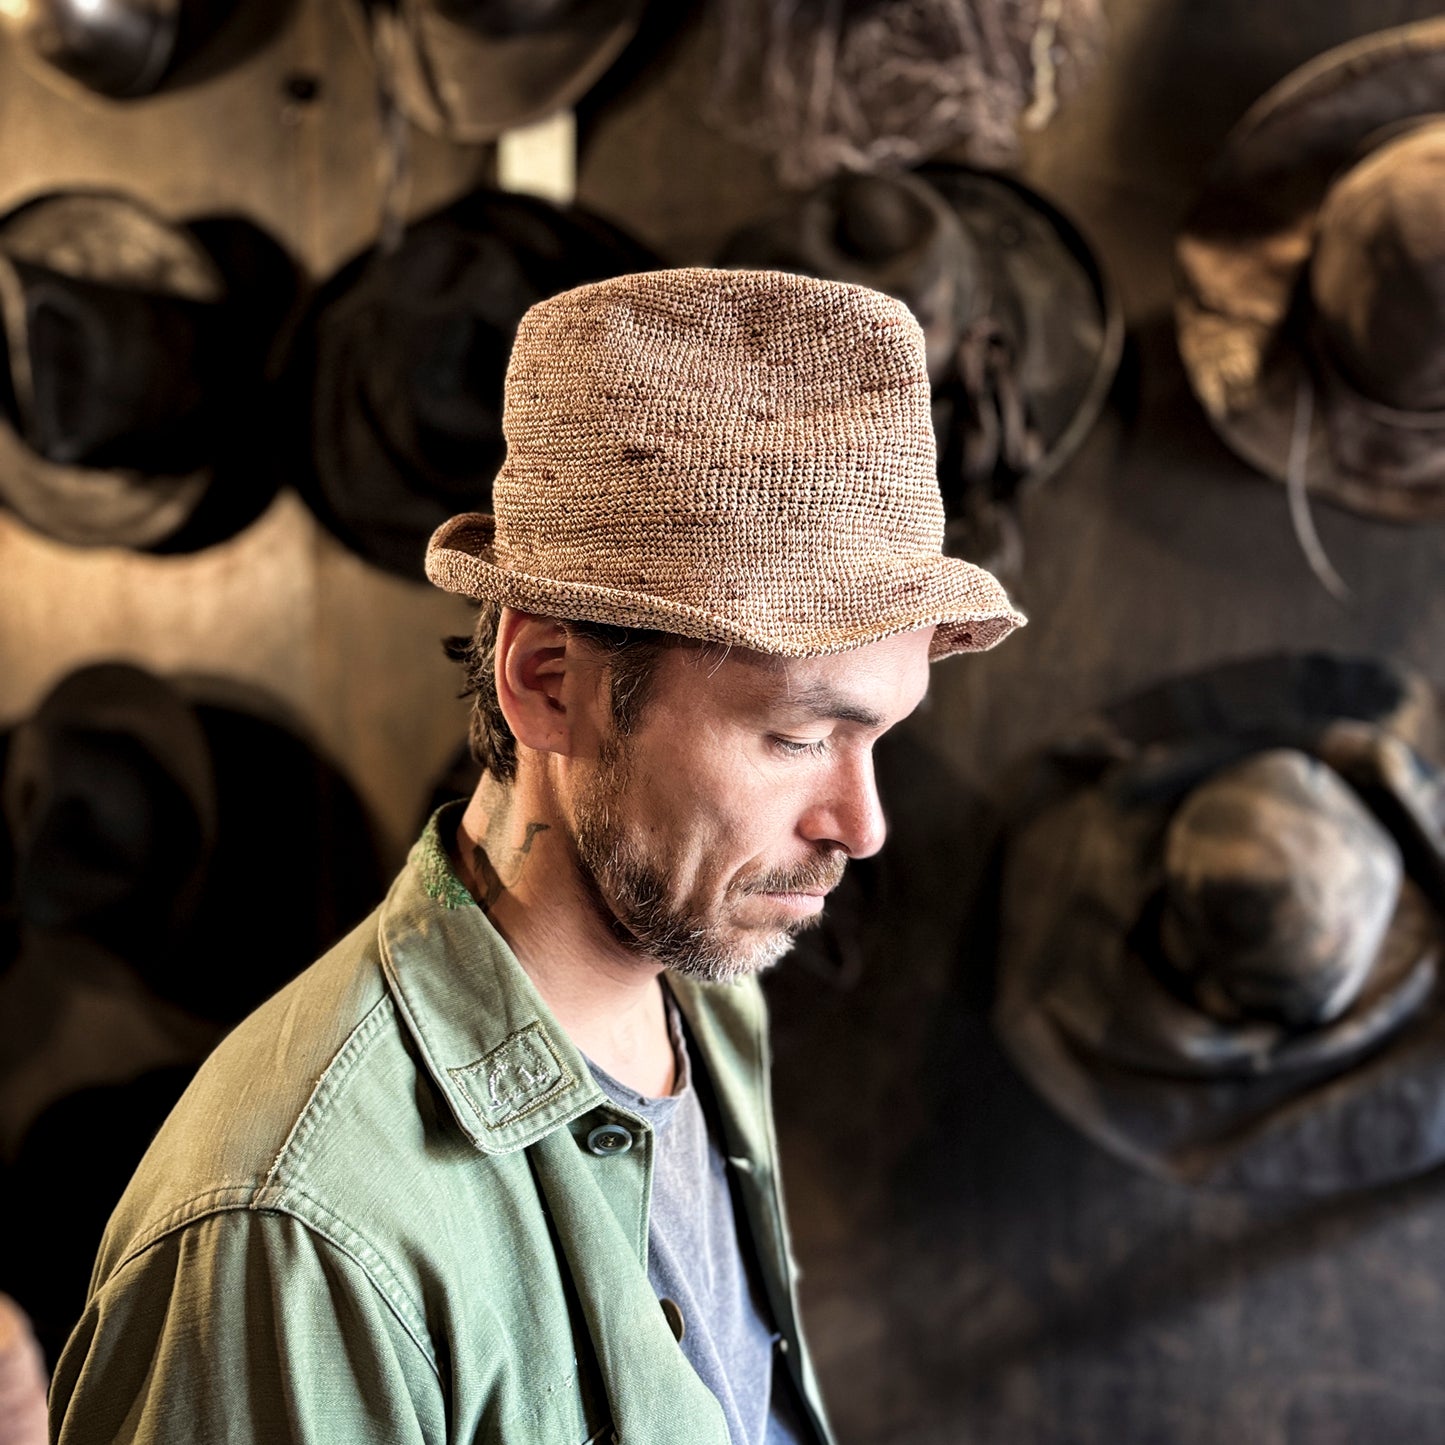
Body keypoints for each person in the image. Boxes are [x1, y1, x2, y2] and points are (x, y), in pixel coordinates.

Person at [48, 266, 1024, 1444]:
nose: (861, 825)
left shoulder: (707, 1000)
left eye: (878, 736)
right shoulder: (296, 1237)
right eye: (798, 736)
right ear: (547, 682)